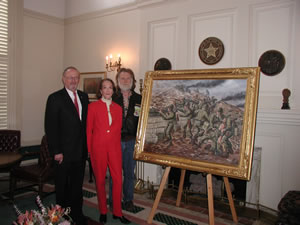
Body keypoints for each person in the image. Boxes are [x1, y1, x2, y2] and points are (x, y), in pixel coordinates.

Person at [44, 66, 88, 225]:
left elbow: (84, 125)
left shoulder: (83, 96)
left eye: (76, 77)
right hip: (63, 153)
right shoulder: (54, 98)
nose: (73, 81)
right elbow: (51, 127)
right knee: (62, 187)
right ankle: (61, 218)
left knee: (77, 187)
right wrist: (56, 151)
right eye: (70, 77)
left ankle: (77, 214)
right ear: (63, 79)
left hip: (80, 152)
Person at [86, 78, 130, 224]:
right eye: (104, 87)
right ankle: (103, 211)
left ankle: (118, 211)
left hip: (114, 149)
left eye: (110, 87)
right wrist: (89, 149)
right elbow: (88, 131)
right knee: (99, 180)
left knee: (118, 179)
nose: (107, 90)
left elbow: (117, 131)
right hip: (97, 148)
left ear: (113, 90)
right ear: (100, 91)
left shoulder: (118, 108)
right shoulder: (93, 107)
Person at [110, 68, 142, 211]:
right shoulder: (112, 98)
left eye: (128, 78)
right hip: (115, 141)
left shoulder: (139, 99)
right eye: (122, 78)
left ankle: (128, 200)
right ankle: (113, 199)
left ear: (133, 81)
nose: (125, 81)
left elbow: (142, 119)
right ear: (117, 81)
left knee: (129, 173)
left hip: (132, 141)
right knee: (114, 173)